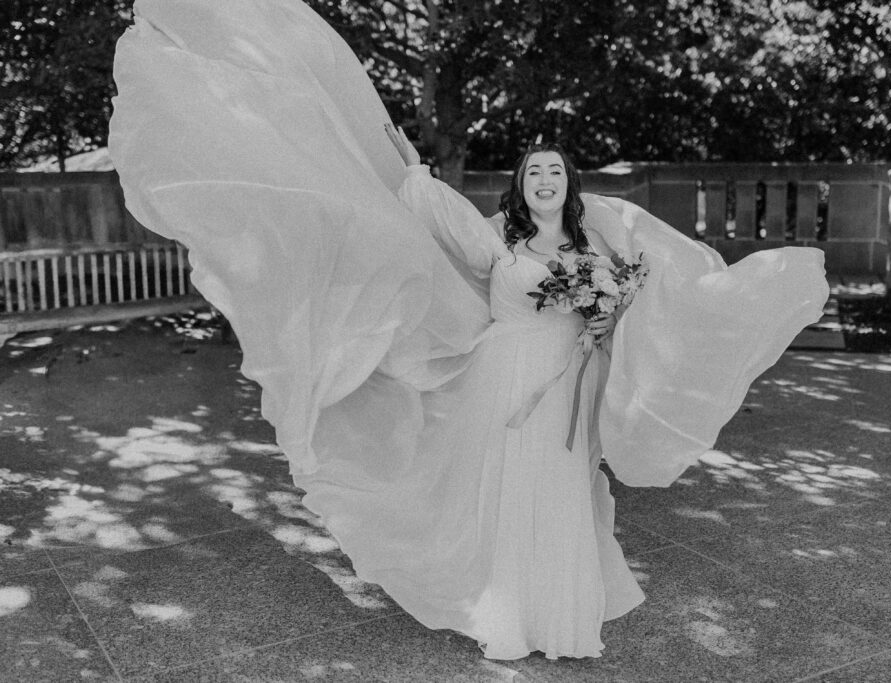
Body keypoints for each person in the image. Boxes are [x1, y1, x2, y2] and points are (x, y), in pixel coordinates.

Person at [108, 0, 829, 661]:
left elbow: (621, 310)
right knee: (500, 493)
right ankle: (504, 613)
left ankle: (558, 616)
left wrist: (601, 322)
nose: (544, 179)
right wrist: (398, 160)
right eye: (533, 172)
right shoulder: (501, 248)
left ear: (568, 186)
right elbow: (431, 209)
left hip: (560, 386)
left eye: (555, 171)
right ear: (522, 186)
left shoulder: (593, 252)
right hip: (498, 380)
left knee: (558, 492)